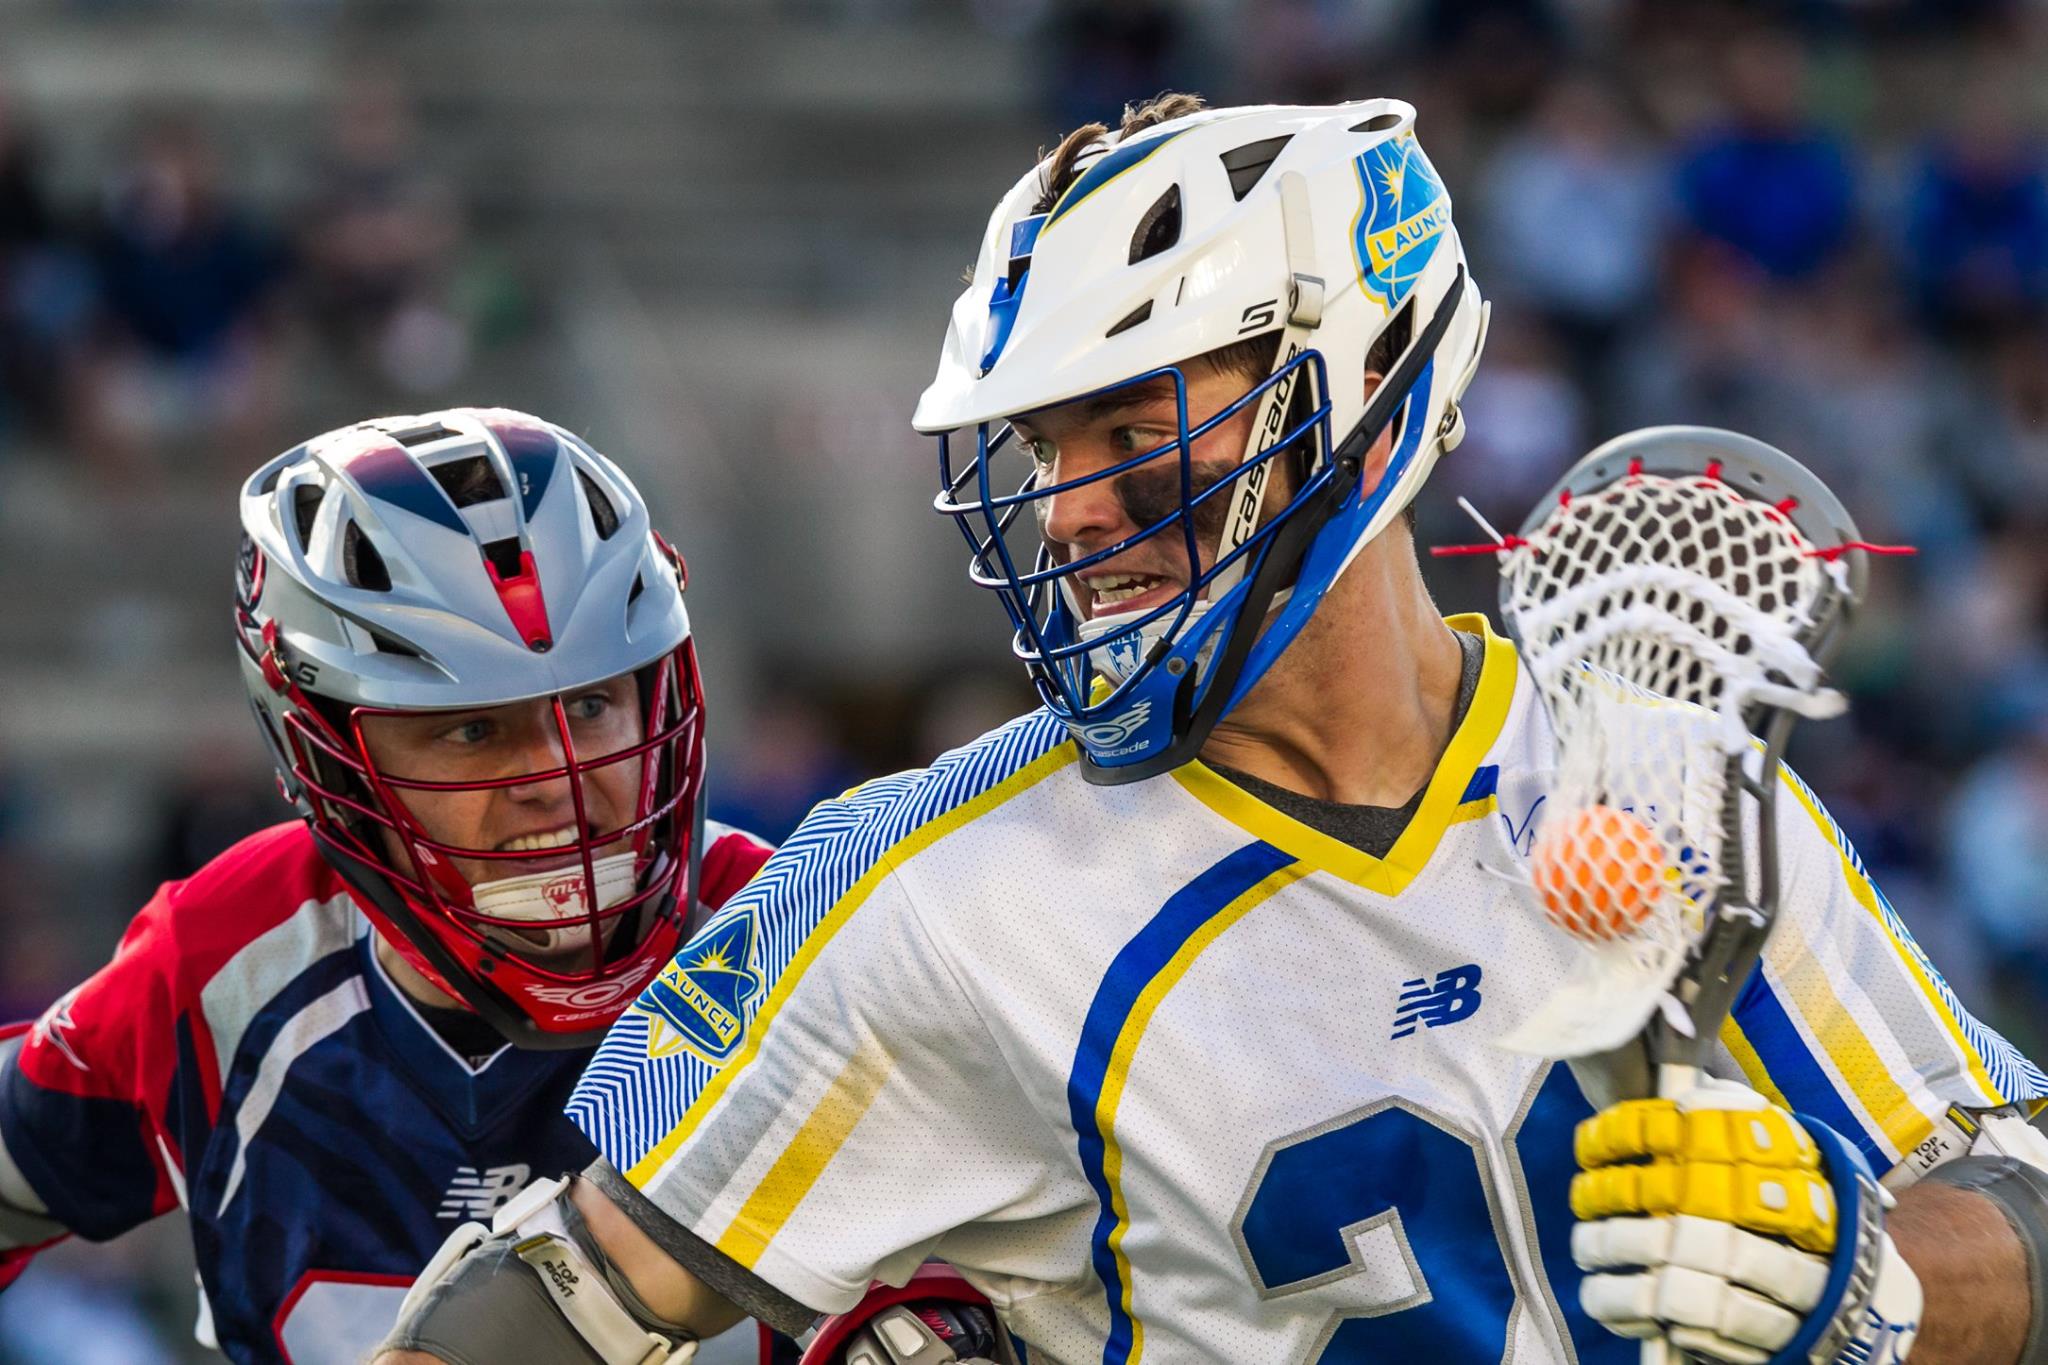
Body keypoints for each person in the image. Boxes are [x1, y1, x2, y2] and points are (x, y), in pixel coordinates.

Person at [379, 100, 2048, 1365]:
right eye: (1037, 449)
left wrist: (1873, 1280)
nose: (1068, 508)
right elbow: (578, 1299)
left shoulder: (1656, 771)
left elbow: (2016, 1197)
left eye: (1129, 421)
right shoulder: (927, 895)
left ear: (1364, 371)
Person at [0, 408, 783, 1365]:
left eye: (588, 702)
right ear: (323, 749)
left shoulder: (794, 932)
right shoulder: (228, 957)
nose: (557, 774)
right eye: (472, 728)